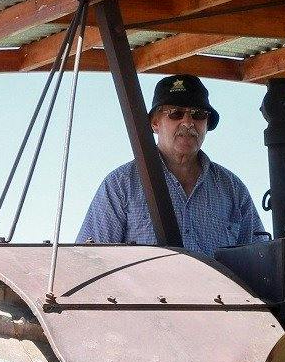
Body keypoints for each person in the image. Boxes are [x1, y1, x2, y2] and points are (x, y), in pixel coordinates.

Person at [73, 74, 268, 256]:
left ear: (207, 123)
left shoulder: (233, 189)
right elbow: (89, 260)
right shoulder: (120, 185)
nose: (188, 122)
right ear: (155, 123)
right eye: (176, 113)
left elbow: (259, 261)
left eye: (198, 114)